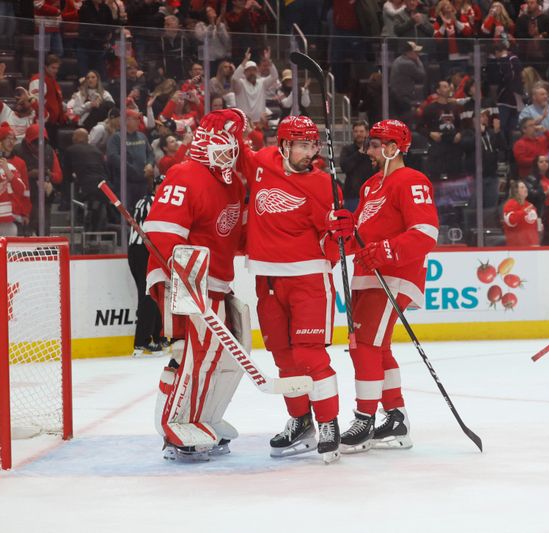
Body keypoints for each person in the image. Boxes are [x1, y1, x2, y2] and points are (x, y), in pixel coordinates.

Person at [324, 119, 439, 453]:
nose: (369, 151)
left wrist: (388, 250)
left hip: (395, 274)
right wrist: (346, 227)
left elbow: (426, 233)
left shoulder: (412, 180)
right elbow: (362, 231)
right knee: (376, 346)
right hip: (368, 274)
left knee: (365, 347)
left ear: (393, 148)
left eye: (375, 145)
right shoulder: (371, 185)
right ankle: (395, 419)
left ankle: (365, 419)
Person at [143, 109, 248, 462]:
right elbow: (160, 233)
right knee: (194, 352)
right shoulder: (184, 173)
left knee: (228, 353)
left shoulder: (233, 182)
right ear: (204, 142)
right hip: (182, 278)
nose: (230, 151)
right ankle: (176, 423)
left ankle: (205, 418)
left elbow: (239, 237)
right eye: (223, 143)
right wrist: (183, 274)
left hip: (215, 280)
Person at [237, 115, 343, 464]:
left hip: (308, 278)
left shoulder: (325, 185)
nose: (310, 151)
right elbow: (236, 151)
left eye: (313, 144)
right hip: (266, 279)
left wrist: (340, 229)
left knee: (309, 355)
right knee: (284, 358)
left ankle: (329, 423)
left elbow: (340, 243)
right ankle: (302, 422)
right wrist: (230, 120)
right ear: (283, 146)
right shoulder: (262, 163)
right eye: (303, 144)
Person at [129, 174, 164, 357]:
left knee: (155, 292)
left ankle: (159, 336)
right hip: (142, 251)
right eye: (160, 185)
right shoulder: (150, 202)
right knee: (148, 294)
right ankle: (142, 341)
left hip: (144, 251)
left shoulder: (150, 201)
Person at [13, 124, 62, 236]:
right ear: (27, 141)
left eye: (43, 143)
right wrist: (29, 174)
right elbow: (10, 177)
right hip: (23, 201)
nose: (39, 147)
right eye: (35, 143)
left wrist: (48, 174)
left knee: (44, 232)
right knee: (24, 232)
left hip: (44, 199)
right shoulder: (16, 151)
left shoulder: (50, 151)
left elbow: (59, 177)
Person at [106, 110, 155, 211]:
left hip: (142, 182)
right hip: (125, 183)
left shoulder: (142, 136)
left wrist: (150, 164)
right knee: (126, 212)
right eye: (136, 119)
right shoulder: (116, 138)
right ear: (126, 121)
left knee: (142, 210)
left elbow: (150, 153)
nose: (139, 122)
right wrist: (134, 171)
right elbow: (113, 157)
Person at [340, 120, 374, 212]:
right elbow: (344, 167)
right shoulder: (347, 149)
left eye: (361, 131)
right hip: (352, 196)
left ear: (367, 133)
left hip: (371, 194)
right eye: (356, 131)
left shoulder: (373, 149)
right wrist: (359, 153)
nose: (358, 134)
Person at [502, 180, 540, 246]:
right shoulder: (510, 204)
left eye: (525, 187)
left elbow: (534, 228)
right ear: (516, 191)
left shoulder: (530, 205)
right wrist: (523, 212)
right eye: (522, 187)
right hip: (517, 247)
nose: (526, 189)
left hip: (533, 246)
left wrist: (536, 242)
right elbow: (510, 221)